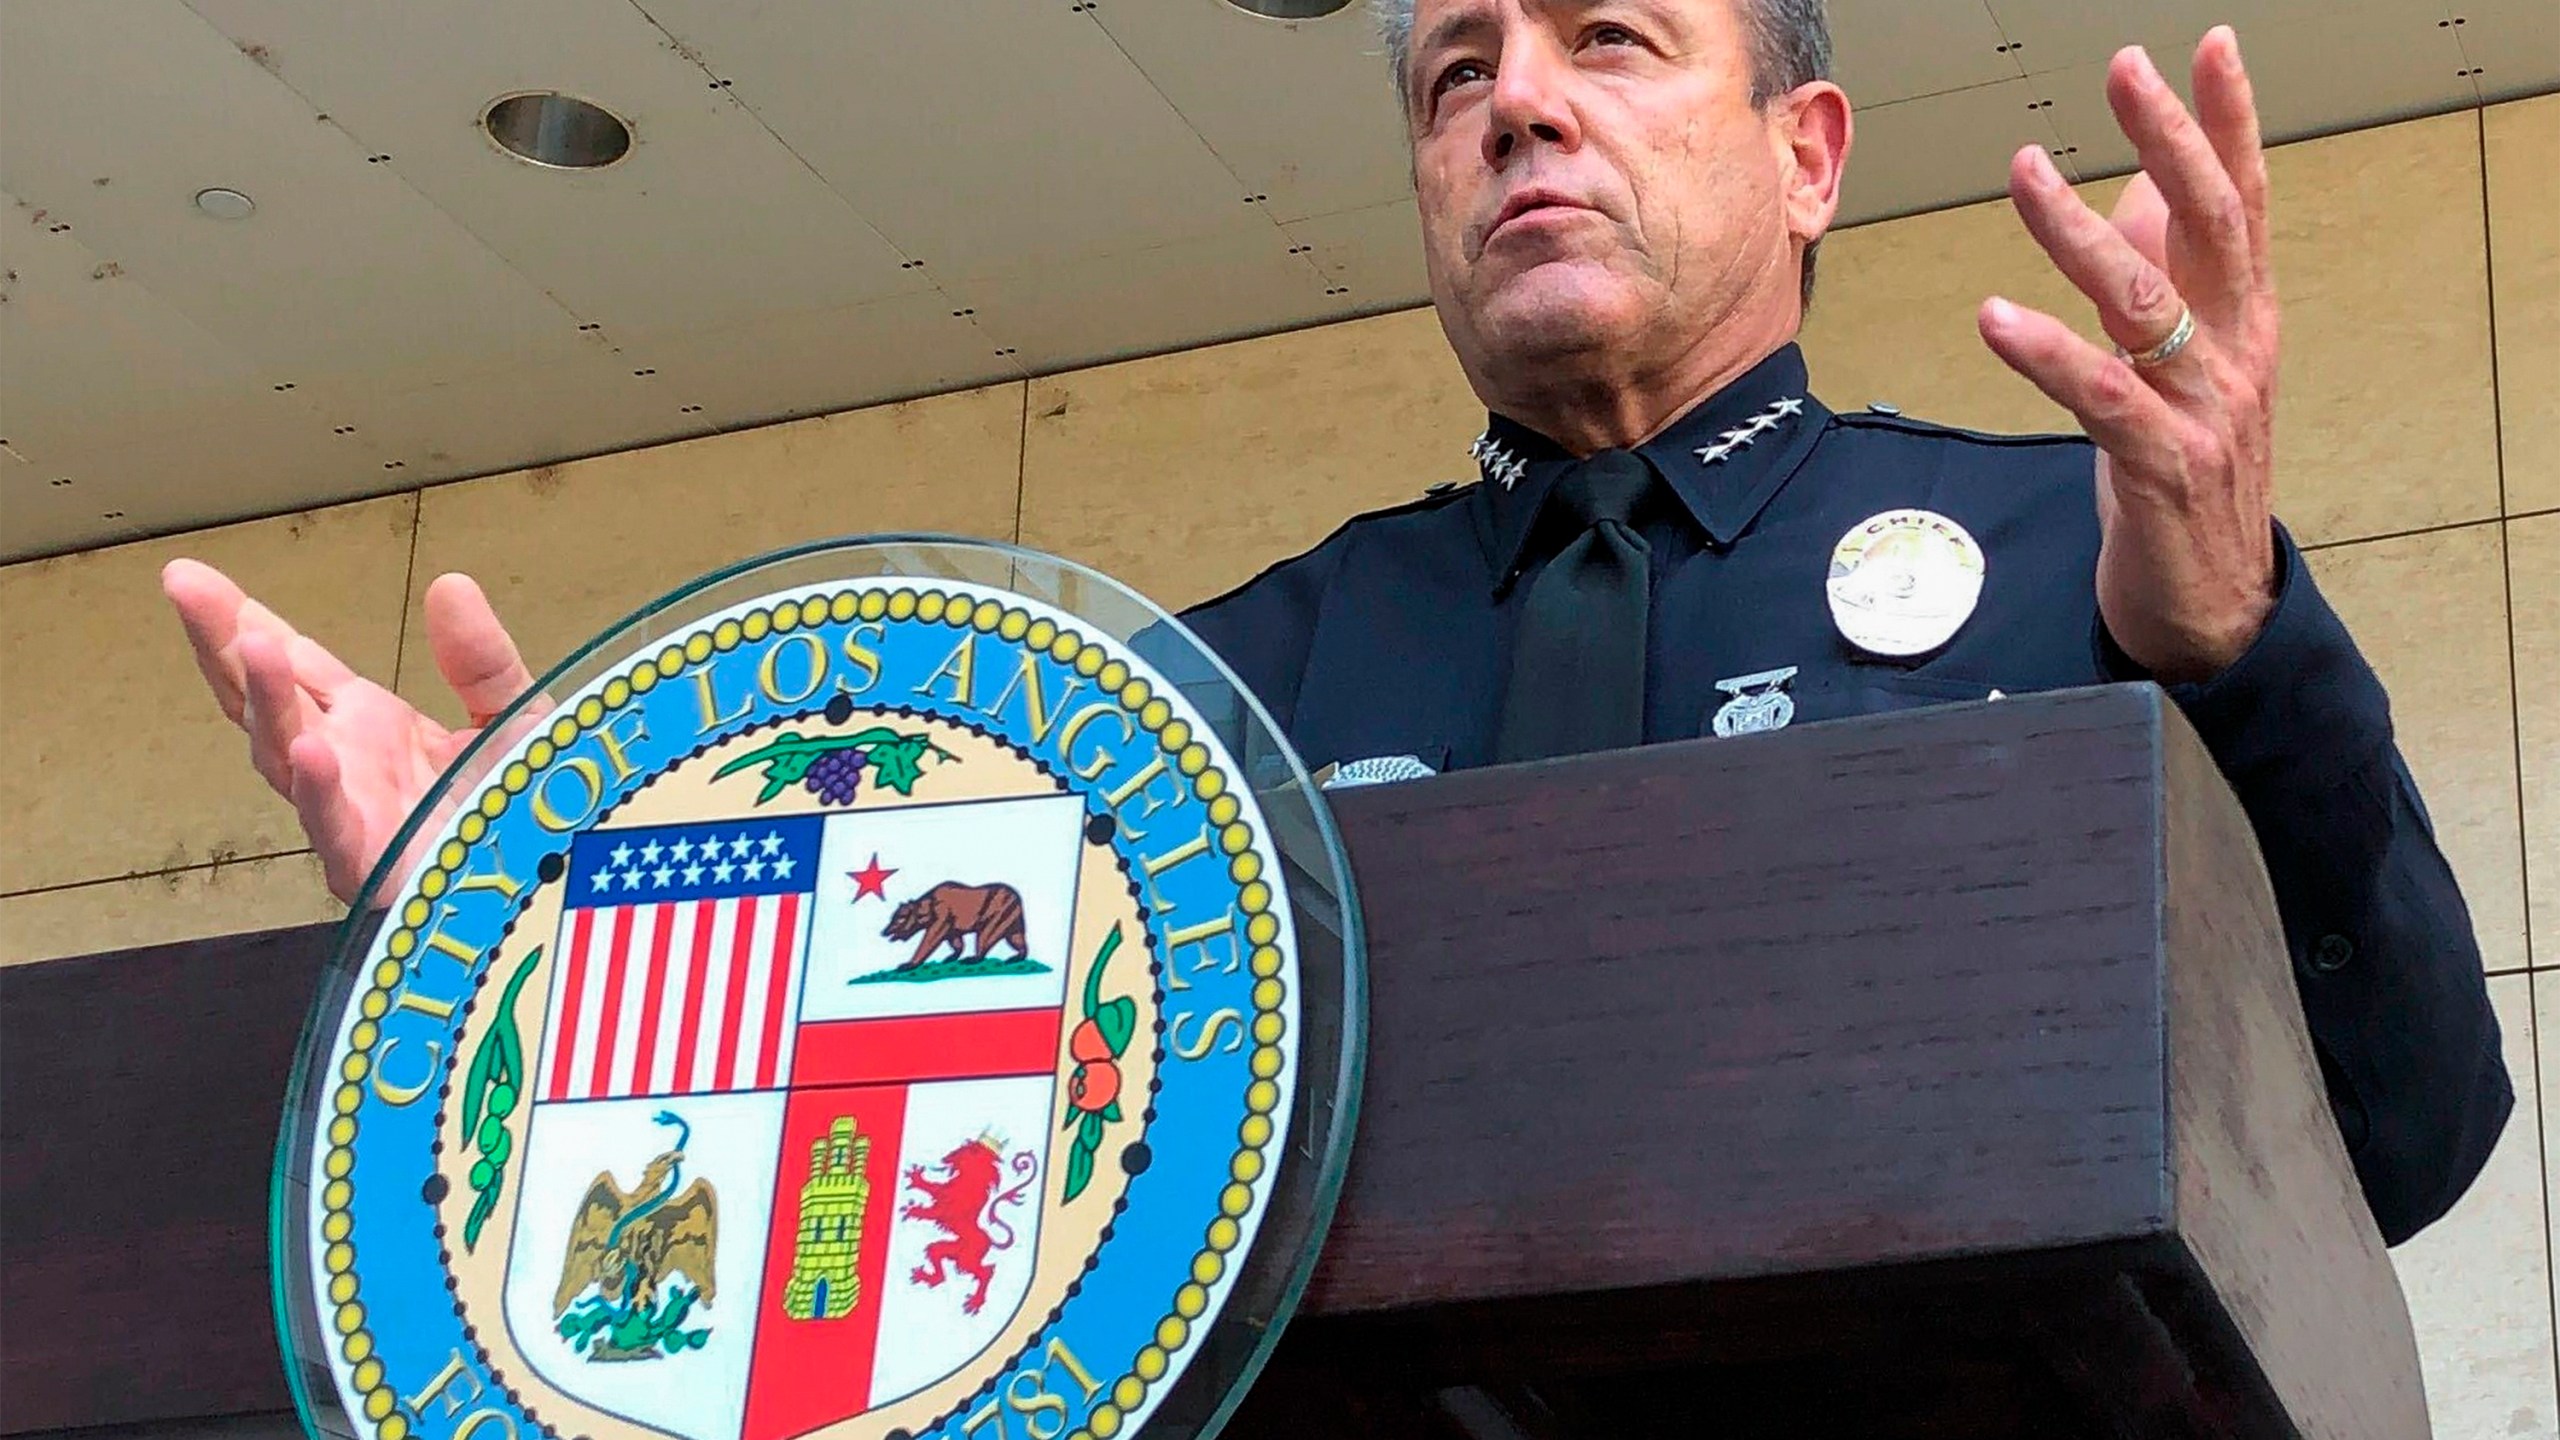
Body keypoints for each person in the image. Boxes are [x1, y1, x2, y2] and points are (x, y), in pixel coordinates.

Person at [161, 0, 2506, 1245]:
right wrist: (509, 918)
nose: (1515, 113)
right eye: (1455, 75)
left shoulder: (2061, 550)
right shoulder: (1198, 691)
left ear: (1803, 155)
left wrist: (2228, 644)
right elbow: (882, 1119)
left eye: (1607, 42)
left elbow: (2406, 1134)